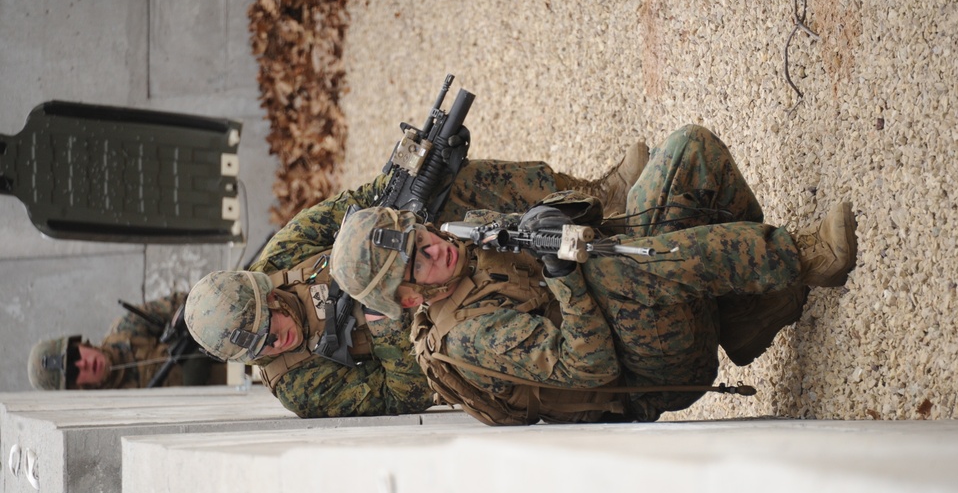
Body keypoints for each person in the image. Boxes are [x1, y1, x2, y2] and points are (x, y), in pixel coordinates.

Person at [328, 124, 857, 424]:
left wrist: (553, 219)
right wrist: (566, 275)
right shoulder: (468, 336)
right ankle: (806, 259)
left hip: (638, 312)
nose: (433, 252)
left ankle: (748, 315)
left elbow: (592, 224)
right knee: (613, 271)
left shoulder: (464, 238)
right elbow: (591, 369)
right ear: (409, 297)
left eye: (422, 240)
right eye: (416, 264)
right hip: (648, 379)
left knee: (688, 153)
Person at [183, 153, 650, 418]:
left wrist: (410, 179)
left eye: (270, 322)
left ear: (265, 292)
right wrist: (385, 329)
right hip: (429, 335)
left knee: (461, 182)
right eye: (261, 346)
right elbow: (400, 399)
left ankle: (597, 204)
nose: (275, 339)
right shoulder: (299, 386)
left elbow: (354, 208)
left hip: (416, 264)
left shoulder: (282, 257)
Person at [27, 292, 224, 391]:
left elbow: (184, 302)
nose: (82, 364)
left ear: (81, 345)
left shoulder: (127, 329)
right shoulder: (113, 411)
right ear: (76, 387)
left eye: (74, 356)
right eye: (72, 371)